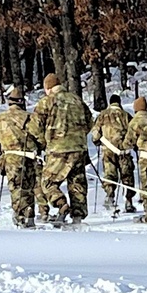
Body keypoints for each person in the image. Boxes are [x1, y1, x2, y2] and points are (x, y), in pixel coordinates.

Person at [28, 73, 93, 224]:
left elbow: (34, 126)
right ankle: (77, 217)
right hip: (79, 149)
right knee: (77, 183)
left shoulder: (47, 102)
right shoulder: (77, 101)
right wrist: (77, 137)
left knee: (48, 182)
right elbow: (90, 123)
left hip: (58, 149)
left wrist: (44, 142)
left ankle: (61, 203)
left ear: (48, 88)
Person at [0, 88, 41, 228]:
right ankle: (29, 210)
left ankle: (22, 214)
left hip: (11, 158)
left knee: (16, 187)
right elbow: (41, 139)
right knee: (29, 186)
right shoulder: (31, 118)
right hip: (30, 157)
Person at [91, 94, 137, 213]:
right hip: (123, 150)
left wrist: (96, 141)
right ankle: (128, 201)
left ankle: (110, 196)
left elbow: (95, 132)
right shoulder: (126, 115)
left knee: (110, 173)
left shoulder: (102, 115)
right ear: (119, 103)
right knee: (127, 174)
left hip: (108, 150)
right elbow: (134, 132)